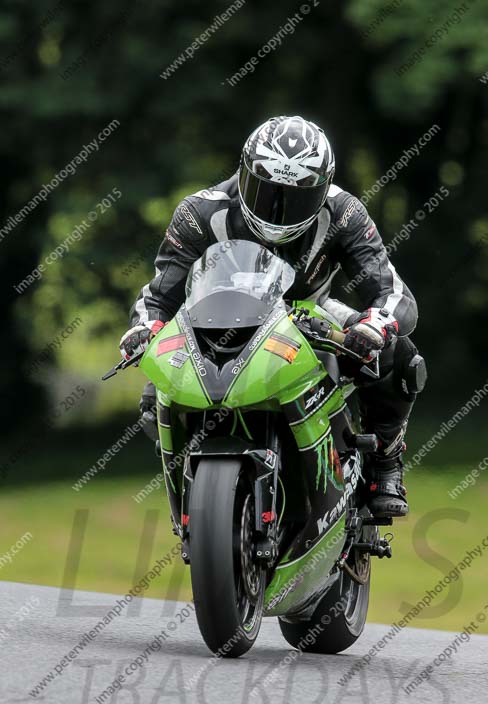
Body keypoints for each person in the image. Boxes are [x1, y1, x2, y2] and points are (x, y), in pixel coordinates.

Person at [120, 115, 426, 517]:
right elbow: (157, 294)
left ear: (320, 191)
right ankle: (194, 491)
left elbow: (391, 290)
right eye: (266, 191)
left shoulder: (345, 212)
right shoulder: (199, 211)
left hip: (312, 313)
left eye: (295, 198)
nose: (278, 208)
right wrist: (144, 328)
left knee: (399, 357)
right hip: (219, 321)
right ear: (244, 173)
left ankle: (385, 462)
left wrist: (377, 324)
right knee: (151, 396)